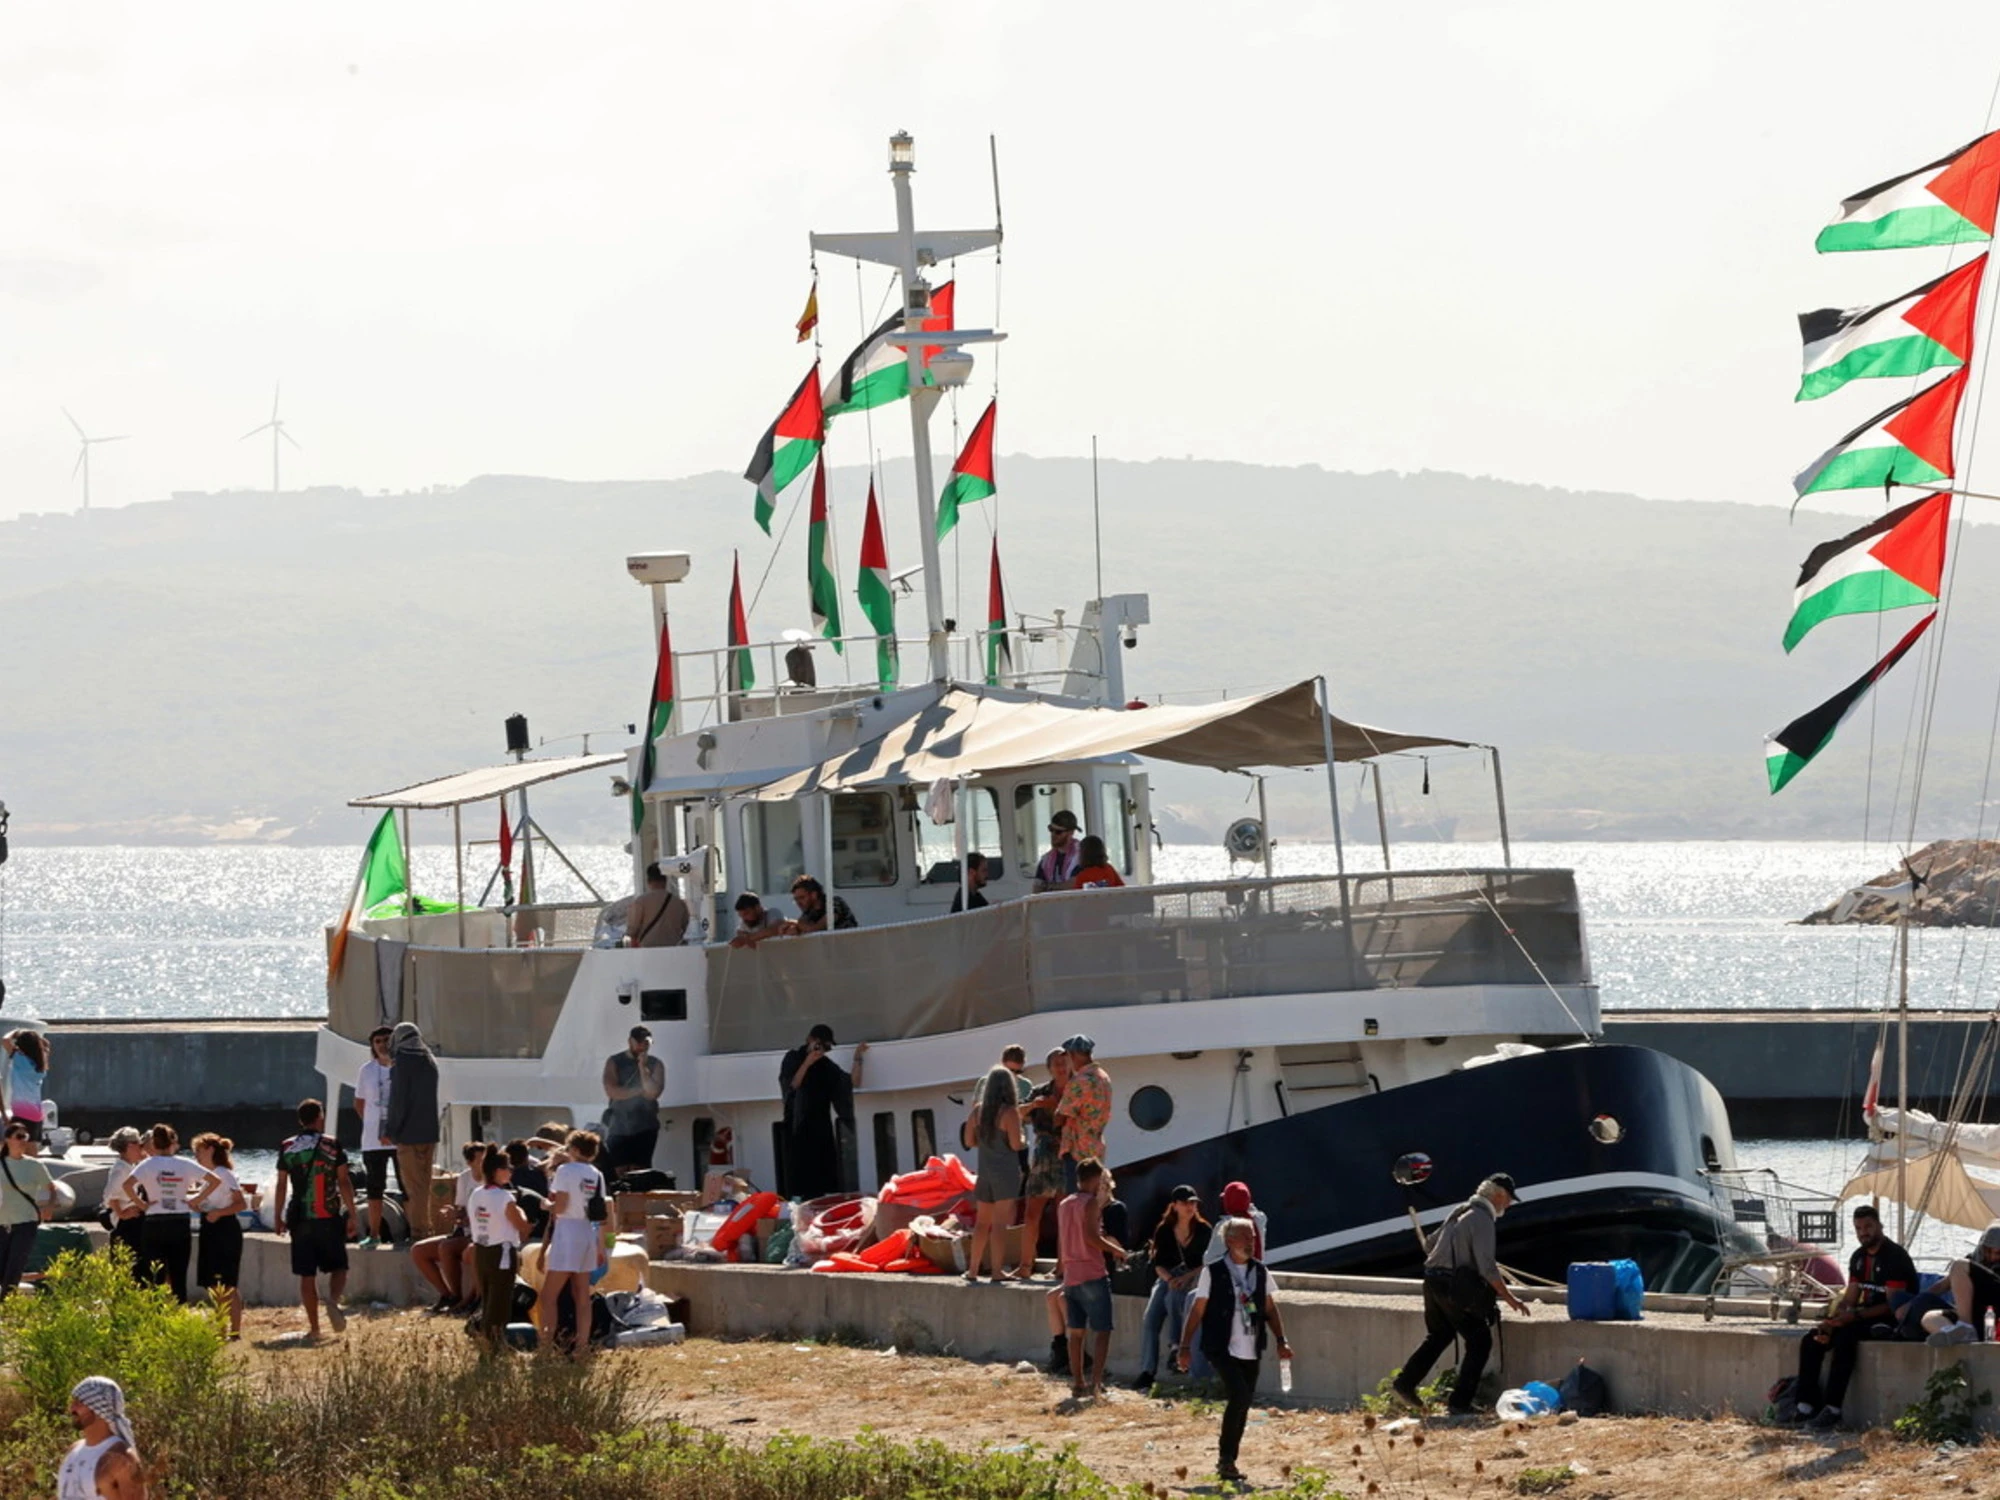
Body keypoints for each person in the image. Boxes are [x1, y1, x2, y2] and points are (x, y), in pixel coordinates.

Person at [1390, 1173, 1533, 1419]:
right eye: (1508, 1199)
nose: (1508, 1206)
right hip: (1452, 1286)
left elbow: (1429, 1245)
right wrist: (1510, 1298)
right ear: (1498, 1195)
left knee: (1440, 1334)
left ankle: (1405, 1383)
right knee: (1479, 1342)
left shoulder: (1460, 1210)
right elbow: (1487, 1267)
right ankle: (1459, 1403)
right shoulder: (1483, 1219)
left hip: (1432, 1281)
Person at [1179, 1216, 1293, 1486]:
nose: (1251, 1243)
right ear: (1229, 1241)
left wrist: (1281, 1340)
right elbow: (1197, 1309)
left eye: (1253, 1238)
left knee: (1243, 1403)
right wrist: (1184, 1346)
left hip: (1251, 1347)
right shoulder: (1214, 1272)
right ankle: (1225, 1459)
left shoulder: (1260, 1271)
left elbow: (1268, 1308)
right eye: (1245, 1237)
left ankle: (1229, 1460)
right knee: (1239, 1395)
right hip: (1221, 1346)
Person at [1787, 1203, 1918, 1429]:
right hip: (1862, 1315)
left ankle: (1833, 1409)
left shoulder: (1895, 1257)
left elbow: (1892, 1305)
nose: (1863, 1233)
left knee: (1846, 1338)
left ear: (1879, 1226)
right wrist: (1832, 1321)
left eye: (1868, 1227)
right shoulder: (1858, 1257)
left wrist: (1852, 1317)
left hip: (1892, 1320)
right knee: (1813, 1338)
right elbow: (1850, 1298)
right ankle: (1805, 1406)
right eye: (1858, 1228)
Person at [272, 1099, 359, 1340]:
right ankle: (332, 1301)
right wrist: (352, 1214)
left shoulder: (287, 1146)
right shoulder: (331, 1145)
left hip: (299, 1218)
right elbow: (343, 1181)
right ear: (319, 1117)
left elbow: (281, 1184)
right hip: (328, 1215)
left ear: (300, 1119)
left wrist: (277, 1216)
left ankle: (315, 1328)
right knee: (340, 1266)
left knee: (306, 1275)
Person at [1057, 1157, 1129, 1399]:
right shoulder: (1090, 1204)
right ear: (1096, 1178)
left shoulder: (1065, 1204)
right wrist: (1116, 1250)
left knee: (1075, 1333)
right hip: (1092, 1272)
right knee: (1102, 1331)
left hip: (1071, 1275)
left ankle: (1078, 1382)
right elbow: (1091, 1237)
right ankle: (1096, 1384)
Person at [538, 1128, 608, 1360]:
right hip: (588, 1232)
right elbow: (601, 1210)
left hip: (567, 1232)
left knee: (548, 1296)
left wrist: (546, 1206)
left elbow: (560, 1204)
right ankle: (582, 1347)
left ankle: (546, 1347)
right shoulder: (596, 1174)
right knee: (582, 1295)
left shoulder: (566, 1171)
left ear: (575, 1149)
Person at [1135, 1185, 1213, 1390]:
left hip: (1193, 1277)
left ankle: (1176, 1347)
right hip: (1168, 1277)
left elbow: (1208, 1263)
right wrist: (1170, 1279)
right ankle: (1147, 1371)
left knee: (1175, 1298)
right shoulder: (1165, 1230)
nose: (1191, 1207)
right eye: (1186, 1203)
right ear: (1175, 1205)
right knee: (1150, 1318)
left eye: (1193, 1202)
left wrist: (1187, 1277)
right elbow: (1157, 1263)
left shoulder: (1204, 1230)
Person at [778, 1024, 867, 1200]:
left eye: (827, 1048)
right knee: (799, 1181)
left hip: (821, 1129)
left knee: (824, 1180)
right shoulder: (793, 1058)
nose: (823, 1051)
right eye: (821, 1045)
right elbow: (791, 1086)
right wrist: (808, 1062)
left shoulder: (826, 1066)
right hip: (798, 1128)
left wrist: (858, 1058)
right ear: (810, 1040)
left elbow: (851, 1083)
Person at [962, 1064, 1025, 1284]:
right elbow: (1017, 1145)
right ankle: (997, 1271)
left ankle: (972, 1270)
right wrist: (1024, 1138)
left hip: (985, 1172)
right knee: (1000, 1224)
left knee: (981, 1223)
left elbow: (969, 1141)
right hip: (1005, 1173)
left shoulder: (977, 1111)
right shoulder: (1010, 1112)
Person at [126, 1124, 201, 1302]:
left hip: (154, 1220)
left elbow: (127, 1185)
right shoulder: (184, 1163)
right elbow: (214, 1180)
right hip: (179, 1219)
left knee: (155, 1274)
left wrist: (142, 1204)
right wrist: (195, 1200)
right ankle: (179, 1310)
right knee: (178, 1273)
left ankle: (157, 1313)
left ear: (154, 1143)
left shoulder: (147, 1164)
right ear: (172, 1142)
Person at [468, 1144, 531, 1349]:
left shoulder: (476, 1194)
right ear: (497, 1171)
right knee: (500, 1302)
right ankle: (494, 1345)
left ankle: (486, 1338)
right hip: (502, 1252)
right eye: (507, 1168)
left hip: (481, 1250)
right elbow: (521, 1226)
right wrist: (524, 1214)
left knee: (487, 1298)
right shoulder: (505, 1197)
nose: (511, 1172)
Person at [413, 1140, 484, 1312]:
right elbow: (461, 1209)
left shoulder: (493, 1179)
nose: (485, 1164)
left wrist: (463, 1217)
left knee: (447, 1247)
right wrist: (453, 1213)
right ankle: (447, 1295)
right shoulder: (465, 1178)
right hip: (464, 1231)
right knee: (418, 1250)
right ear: (470, 1162)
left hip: (481, 1235)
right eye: (481, 1160)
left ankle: (462, 1298)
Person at [386, 1022, 440, 1239]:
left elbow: (398, 1102)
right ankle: (427, 1227)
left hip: (409, 1135)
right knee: (425, 1185)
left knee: (413, 1187)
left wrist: (392, 1130)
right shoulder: (430, 1061)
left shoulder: (402, 1063)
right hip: (430, 1133)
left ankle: (419, 1232)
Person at [190, 1132, 246, 1340]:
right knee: (213, 1284)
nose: (196, 1155)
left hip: (225, 1229)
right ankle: (221, 1328)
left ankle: (234, 1330)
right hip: (210, 1228)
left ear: (211, 1150)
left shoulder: (224, 1174)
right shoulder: (208, 1177)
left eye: (199, 1151)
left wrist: (219, 1213)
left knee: (227, 1283)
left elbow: (241, 1204)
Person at [1020, 1047, 1071, 1273]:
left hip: (1067, 1152)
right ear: (1049, 1068)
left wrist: (1056, 1107)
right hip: (1043, 1155)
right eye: (1056, 1063)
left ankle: (1062, 1265)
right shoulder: (1039, 1090)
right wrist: (1034, 1105)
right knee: (1032, 1212)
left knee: (1064, 1213)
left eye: (1064, 1062)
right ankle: (1025, 1264)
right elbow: (1019, 1113)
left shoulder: (1076, 1090)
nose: (1061, 1067)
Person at [58, 1377, 143, 1500]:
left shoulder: (122, 1457)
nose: (72, 1409)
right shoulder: (73, 1450)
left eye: (79, 1403)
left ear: (99, 1409)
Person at [1917, 1221, 2000, 1344]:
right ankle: (1955, 1333)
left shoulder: (1964, 1266)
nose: (1993, 1257)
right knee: (1929, 1318)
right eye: (1988, 1251)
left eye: (1998, 1253)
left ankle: (1966, 1327)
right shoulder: (1972, 1260)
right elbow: (1942, 1285)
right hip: (1977, 1316)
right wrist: (1916, 1300)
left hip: (1994, 1306)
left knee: (1958, 1265)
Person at [601, 1026, 666, 1174]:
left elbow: (653, 1093)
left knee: (640, 1170)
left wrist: (643, 1068)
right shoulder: (615, 1061)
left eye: (646, 1043)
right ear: (630, 1041)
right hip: (619, 1126)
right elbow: (612, 1091)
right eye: (639, 1042)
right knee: (619, 1169)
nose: (643, 1046)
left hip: (645, 1125)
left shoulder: (655, 1064)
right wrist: (639, 1091)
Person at [353, 1026, 396, 1248]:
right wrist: (372, 1124)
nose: (382, 1044)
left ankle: (416, 1231)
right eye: (378, 1041)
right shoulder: (366, 1070)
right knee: (374, 1188)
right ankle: (375, 1233)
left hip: (400, 1140)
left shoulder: (403, 1068)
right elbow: (359, 1103)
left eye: (387, 1040)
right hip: (373, 1141)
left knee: (409, 1187)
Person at [1055, 1034, 1113, 1192]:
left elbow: (1059, 1118)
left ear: (1073, 1055)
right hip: (1096, 1149)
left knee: (1078, 1204)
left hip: (1077, 1152)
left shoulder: (1079, 1082)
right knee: (1095, 1201)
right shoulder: (1104, 1077)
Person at [0, 1120, 52, 1296]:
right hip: (2, 1221)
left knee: (16, 1264)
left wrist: (49, 1207)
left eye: (26, 1136)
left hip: (26, 1221)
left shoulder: (34, 1165)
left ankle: (6, 1304)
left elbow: (51, 1189)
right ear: (8, 1139)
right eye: (19, 1136)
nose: (24, 1140)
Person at [101, 1127, 146, 1268]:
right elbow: (110, 1195)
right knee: (126, 1265)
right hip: (126, 1224)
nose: (141, 1148)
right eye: (140, 1144)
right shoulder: (121, 1169)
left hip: (133, 1221)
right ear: (130, 1146)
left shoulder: (129, 1166)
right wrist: (121, 1213)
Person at [625, 862, 691, 948]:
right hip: (673, 951)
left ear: (648, 881)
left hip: (648, 951)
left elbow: (632, 931)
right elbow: (687, 929)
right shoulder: (679, 903)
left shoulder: (640, 902)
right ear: (665, 880)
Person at [1204, 1181, 1268, 1264]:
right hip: (1255, 1273)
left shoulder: (1224, 1226)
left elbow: (1210, 1260)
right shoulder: (1259, 1220)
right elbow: (1250, 1208)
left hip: (1232, 1275)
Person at [2, 1029, 49, 1137]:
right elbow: (46, 1044)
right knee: (30, 1147)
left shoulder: (21, 1060)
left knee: (16, 1148)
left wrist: (16, 1031)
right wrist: (35, 1038)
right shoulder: (41, 1064)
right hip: (36, 1113)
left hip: (22, 1113)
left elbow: (5, 1040)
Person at [1031, 809, 1083, 893]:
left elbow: (1074, 884)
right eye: (1051, 829)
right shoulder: (1046, 860)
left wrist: (1048, 886)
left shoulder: (1081, 855)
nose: (1053, 835)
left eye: (1058, 832)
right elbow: (1036, 890)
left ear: (1071, 832)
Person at [790, 875, 858, 933]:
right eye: (796, 899)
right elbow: (803, 927)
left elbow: (815, 929)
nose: (798, 903)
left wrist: (795, 923)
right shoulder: (808, 913)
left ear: (814, 895)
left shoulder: (834, 903)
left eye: (802, 898)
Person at [728, 892, 793, 948]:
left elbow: (774, 929)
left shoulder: (773, 913)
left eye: (746, 913)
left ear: (757, 907)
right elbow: (740, 932)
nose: (744, 919)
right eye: (741, 916)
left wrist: (748, 939)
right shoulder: (746, 923)